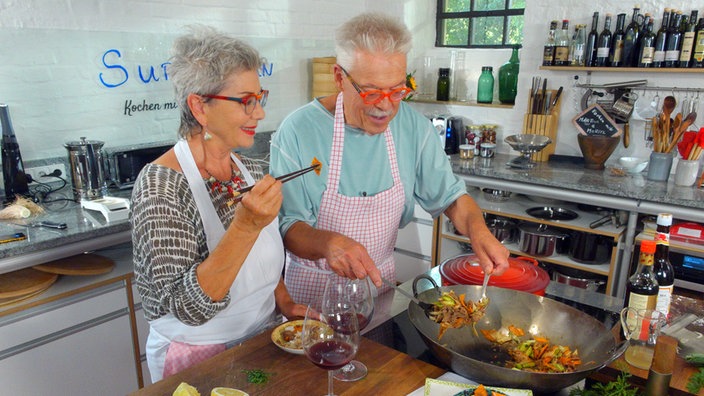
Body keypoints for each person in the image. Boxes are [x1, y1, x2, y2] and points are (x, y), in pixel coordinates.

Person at [270, 13, 510, 305]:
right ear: (338, 78)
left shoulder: (413, 128)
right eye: (371, 93)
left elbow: (450, 196)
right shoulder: (298, 131)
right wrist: (329, 243)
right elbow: (289, 227)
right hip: (310, 298)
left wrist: (479, 232)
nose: (385, 106)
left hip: (378, 290)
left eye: (397, 90)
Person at [130, 25, 306, 382]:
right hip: (200, 358)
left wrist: (285, 302)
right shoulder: (160, 187)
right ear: (200, 106)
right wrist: (246, 226)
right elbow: (188, 308)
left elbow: (262, 261)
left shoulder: (249, 168)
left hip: (264, 341)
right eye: (246, 101)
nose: (259, 114)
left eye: (260, 98)